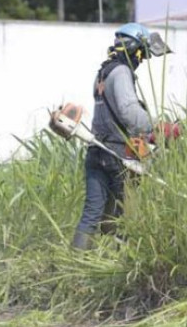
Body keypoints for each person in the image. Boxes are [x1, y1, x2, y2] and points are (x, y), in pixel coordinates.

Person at [71, 23, 178, 250]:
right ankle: (121, 266)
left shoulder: (103, 73)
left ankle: (75, 267)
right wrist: (159, 128)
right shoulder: (121, 72)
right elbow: (129, 112)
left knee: (92, 214)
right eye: (143, 55)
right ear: (135, 49)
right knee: (125, 216)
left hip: (97, 150)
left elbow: (113, 117)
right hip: (118, 156)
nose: (142, 61)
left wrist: (145, 134)